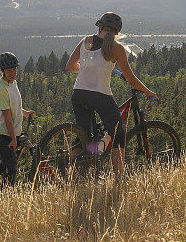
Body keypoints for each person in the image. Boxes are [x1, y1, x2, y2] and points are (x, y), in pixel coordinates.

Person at [65, 12, 157, 176]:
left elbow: (70, 66)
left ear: (99, 27)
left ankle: (68, 171)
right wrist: (148, 91)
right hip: (100, 95)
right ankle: (119, 178)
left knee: (85, 135)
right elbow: (131, 80)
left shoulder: (86, 41)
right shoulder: (117, 49)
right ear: (117, 32)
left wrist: (88, 69)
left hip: (78, 94)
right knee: (118, 134)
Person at [0, 52, 34, 184]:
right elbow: (7, 116)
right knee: (11, 168)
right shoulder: (0, 89)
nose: (13, 73)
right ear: (3, 71)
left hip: (12, 132)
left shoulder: (12, 83)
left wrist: (25, 113)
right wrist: (14, 139)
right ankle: (6, 195)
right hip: (4, 133)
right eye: (9, 70)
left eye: (15, 69)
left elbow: (12, 108)